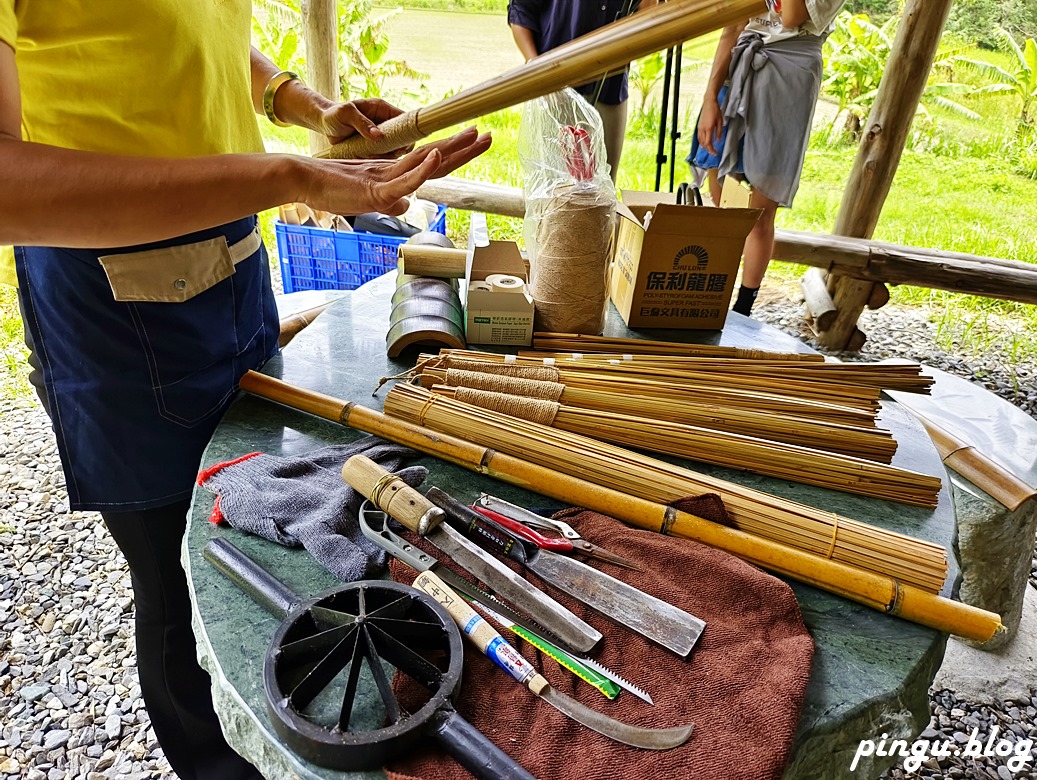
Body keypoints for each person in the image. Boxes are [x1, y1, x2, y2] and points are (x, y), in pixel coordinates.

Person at [0, 3, 490, 778]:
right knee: (179, 578)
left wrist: (299, 102)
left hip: (229, 255)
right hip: (112, 299)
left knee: (257, 515)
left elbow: (192, 35)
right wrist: (286, 174)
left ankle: (289, 728)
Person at [689, 0, 844, 316]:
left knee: (760, 211)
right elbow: (732, 25)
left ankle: (743, 308)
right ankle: (712, 300)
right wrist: (709, 100)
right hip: (739, 63)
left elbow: (792, 16)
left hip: (789, 74)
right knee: (723, 199)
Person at [507, 0, 656, 183]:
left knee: (601, 186)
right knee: (552, 185)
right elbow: (521, 9)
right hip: (554, 90)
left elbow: (647, 14)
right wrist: (536, 67)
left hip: (609, 87)